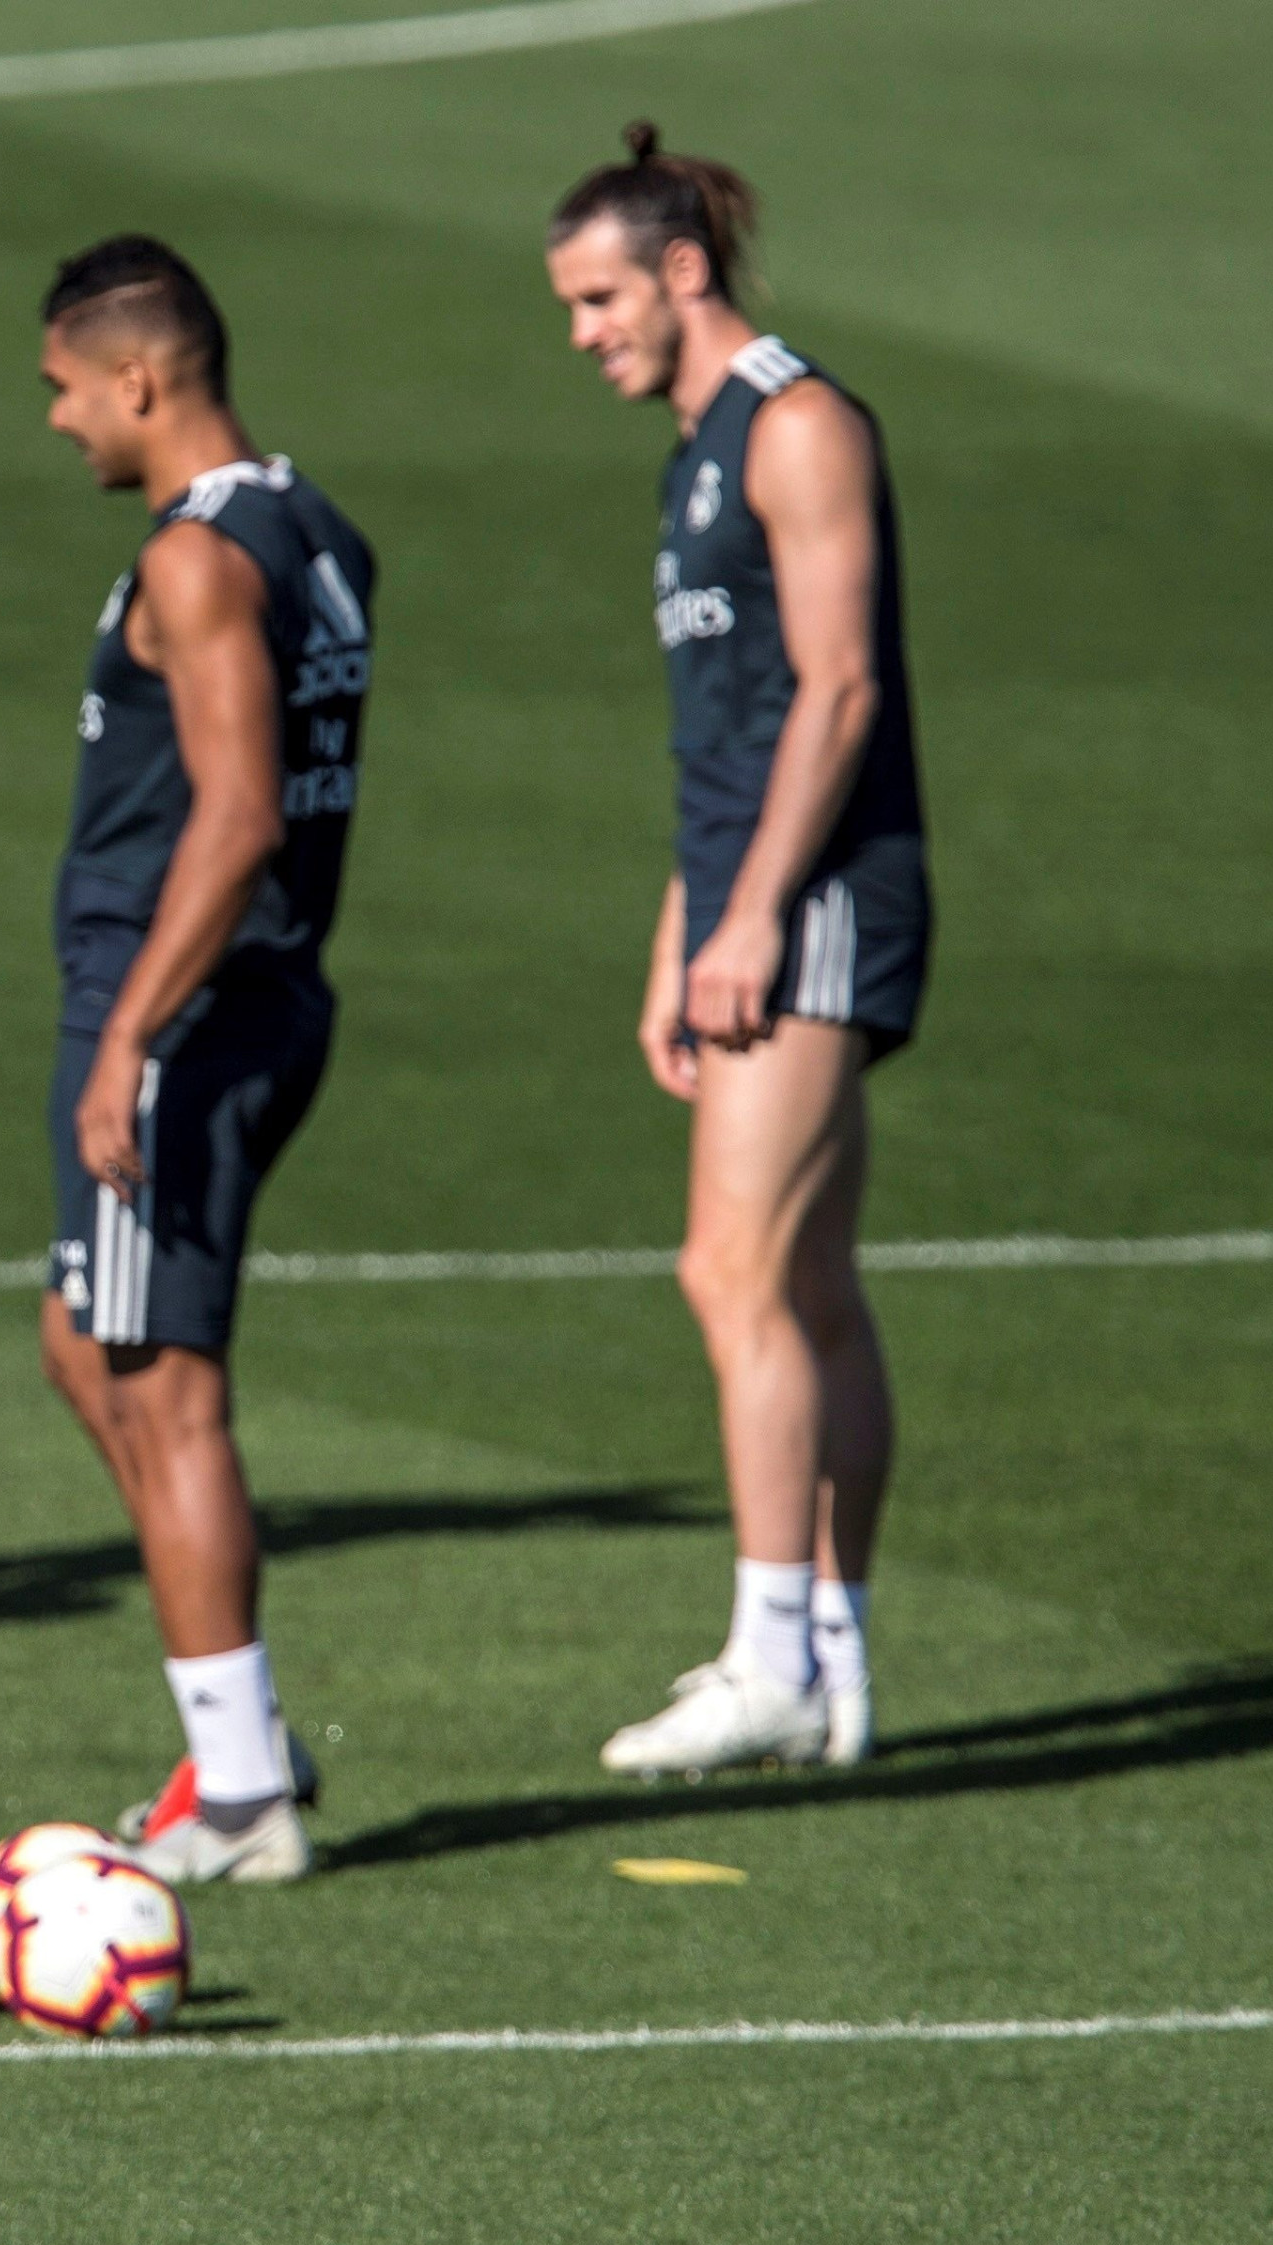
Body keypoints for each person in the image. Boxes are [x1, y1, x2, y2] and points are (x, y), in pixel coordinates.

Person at [549, 129, 922, 1775]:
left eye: (600, 296)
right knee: (816, 1288)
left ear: (682, 270)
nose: (585, 332)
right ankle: (832, 1658)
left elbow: (837, 692)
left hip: (822, 894)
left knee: (736, 1272)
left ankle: (768, 1647)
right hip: (754, 890)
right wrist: (679, 932)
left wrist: (757, 910)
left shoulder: (800, 423)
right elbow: (727, 733)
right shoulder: (696, 449)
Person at [29, 239, 375, 1886]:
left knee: (161, 1390)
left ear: (141, 379)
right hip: (259, 1000)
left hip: (178, 1010)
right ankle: (237, 1727)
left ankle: (241, 1792)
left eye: (63, 388)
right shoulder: (317, 529)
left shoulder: (196, 557)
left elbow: (235, 817)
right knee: (84, 1346)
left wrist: (132, 1038)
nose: (55, 421)